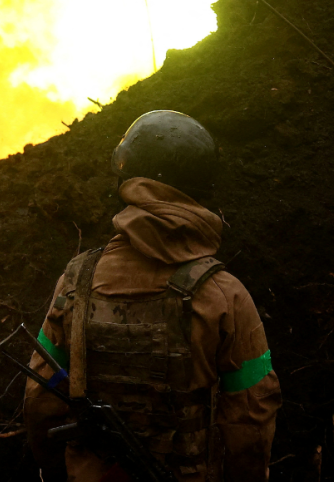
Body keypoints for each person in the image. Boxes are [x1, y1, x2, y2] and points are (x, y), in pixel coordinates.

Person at [24, 110, 281, 482]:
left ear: (128, 178)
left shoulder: (76, 280)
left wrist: (52, 467)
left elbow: (42, 395)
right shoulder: (226, 295)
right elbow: (251, 419)